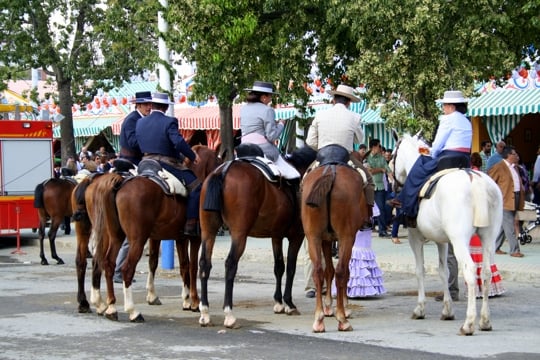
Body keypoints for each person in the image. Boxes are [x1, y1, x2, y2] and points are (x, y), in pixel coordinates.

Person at [389, 90, 472, 227]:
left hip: (447, 157)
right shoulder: (467, 121)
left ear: (451, 106)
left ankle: (405, 202)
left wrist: (426, 151)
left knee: (418, 166)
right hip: (464, 159)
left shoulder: (447, 119)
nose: (443, 109)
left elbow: (437, 146)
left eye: (444, 106)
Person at [305, 83, 375, 225]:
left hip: (323, 156)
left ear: (333, 100)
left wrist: (322, 149)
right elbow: (359, 139)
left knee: (304, 181)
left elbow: (310, 141)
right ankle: (368, 216)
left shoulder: (320, 114)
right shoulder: (355, 117)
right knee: (368, 181)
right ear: (348, 102)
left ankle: (303, 216)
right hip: (345, 157)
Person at [136, 92, 201, 236]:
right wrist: (192, 155)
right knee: (196, 186)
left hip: (145, 162)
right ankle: (191, 224)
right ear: (165, 107)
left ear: (152, 105)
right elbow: (177, 142)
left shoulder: (140, 122)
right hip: (165, 163)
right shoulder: (169, 121)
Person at [240, 81, 299, 180]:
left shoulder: (244, 109)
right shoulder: (268, 110)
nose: (271, 99)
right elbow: (272, 136)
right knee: (294, 174)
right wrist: (281, 124)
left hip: (244, 148)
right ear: (263, 97)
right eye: (270, 96)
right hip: (263, 150)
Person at [488, 146, 525, 258]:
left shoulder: (515, 167)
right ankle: (514, 250)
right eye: (514, 154)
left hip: (515, 198)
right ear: (508, 155)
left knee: (503, 226)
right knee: (510, 226)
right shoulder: (499, 167)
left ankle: (495, 247)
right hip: (504, 200)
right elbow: (490, 182)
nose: (517, 156)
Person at [365, 139, 391, 237]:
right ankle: (372, 228)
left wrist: (392, 176)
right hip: (370, 186)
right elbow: (370, 171)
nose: (380, 148)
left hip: (380, 187)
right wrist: (380, 169)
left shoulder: (382, 158)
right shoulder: (367, 158)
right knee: (370, 209)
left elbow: (387, 169)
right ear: (373, 147)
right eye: (378, 146)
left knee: (382, 208)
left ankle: (382, 230)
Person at [119, 91, 153, 165]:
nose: (149, 107)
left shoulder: (143, 118)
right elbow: (133, 142)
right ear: (138, 105)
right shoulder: (132, 119)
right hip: (130, 160)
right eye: (146, 104)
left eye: (150, 104)